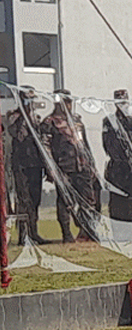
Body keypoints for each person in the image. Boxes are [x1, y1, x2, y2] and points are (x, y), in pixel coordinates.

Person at [39, 89, 100, 242]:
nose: (68, 105)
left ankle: (87, 231)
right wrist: (51, 169)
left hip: (82, 166)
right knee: (65, 202)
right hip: (63, 167)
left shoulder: (76, 120)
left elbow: (84, 145)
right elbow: (45, 147)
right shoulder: (49, 123)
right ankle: (66, 234)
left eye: (69, 102)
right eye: (64, 102)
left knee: (88, 200)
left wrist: (92, 165)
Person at [7, 87, 48, 244]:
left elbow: (41, 141)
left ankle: (33, 232)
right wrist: (24, 114)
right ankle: (23, 235)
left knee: (35, 199)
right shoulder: (14, 116)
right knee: (24, 200)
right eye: (27, 99)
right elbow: (17, 135)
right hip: (21, 165)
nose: (31, 103)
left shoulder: (36, 118)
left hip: (35, 164)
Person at [101, 89, 132, 222]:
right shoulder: (109, 120)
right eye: (119, 102)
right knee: (116, 202)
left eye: (123, 102)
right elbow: (107, 144)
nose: (122, 105)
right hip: (117, 167)